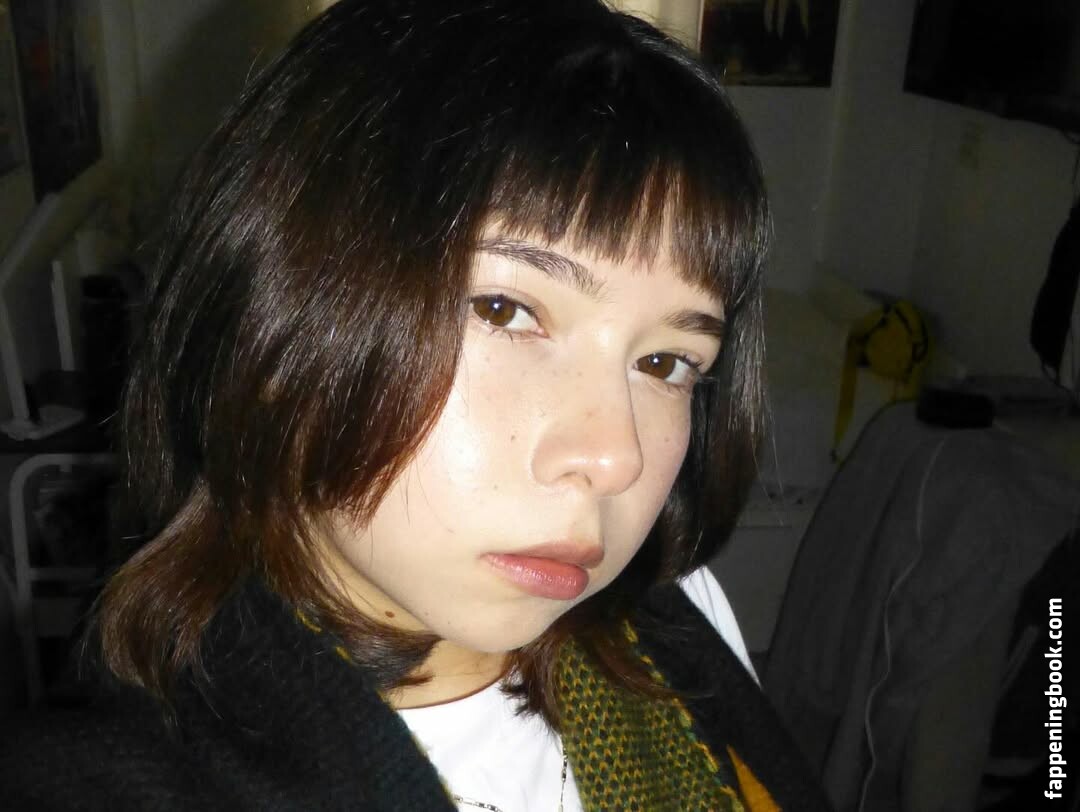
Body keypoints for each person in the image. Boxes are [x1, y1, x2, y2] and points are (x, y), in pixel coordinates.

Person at [0, 1, 831, 809]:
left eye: (665, 362)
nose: (616, 457)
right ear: (276, 311)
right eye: (505, 310)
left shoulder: (680, 620)